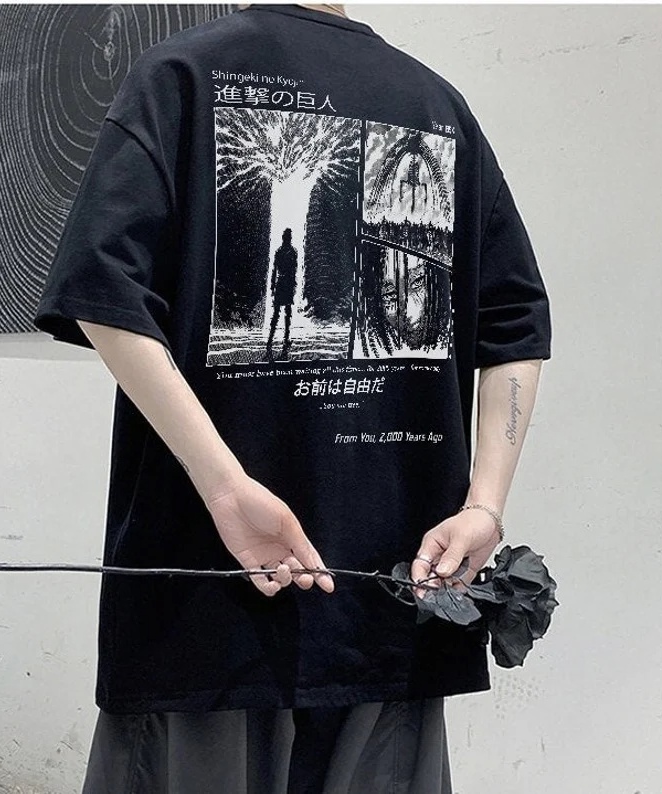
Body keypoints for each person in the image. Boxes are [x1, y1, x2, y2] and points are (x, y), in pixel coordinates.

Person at [32, 3, 552, 792]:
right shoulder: (437, 105)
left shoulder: (181, 74)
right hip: (393, 592)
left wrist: (224, 487)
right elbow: (516, 321)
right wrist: (485, 503)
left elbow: (102, 290)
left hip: (213, 597)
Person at [266, 227, 298, 359]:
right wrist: (294, 285)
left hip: (280, 283)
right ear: (289, 238)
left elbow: (274, 269)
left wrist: (272, 285)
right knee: (287, 313)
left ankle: (270, 339)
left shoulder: (279, 251)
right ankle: (286, 339)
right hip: (288, 283)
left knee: (276, 313)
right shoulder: (293, 252)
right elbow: (294, 270)